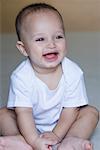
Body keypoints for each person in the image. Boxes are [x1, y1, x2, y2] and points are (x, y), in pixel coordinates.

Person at [0, 3, 99, 150]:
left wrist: (56, 135)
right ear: (23, 49)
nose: (51, 44)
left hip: (64, 122)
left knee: (91, 113)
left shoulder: (73, 72)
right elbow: (24, 112)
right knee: (4, 114)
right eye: (40, 39)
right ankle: (19, 139)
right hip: (27, 123)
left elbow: (70, 110)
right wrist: (34, 140)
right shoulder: (20, 76)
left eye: (58, 36)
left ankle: (72, 139)